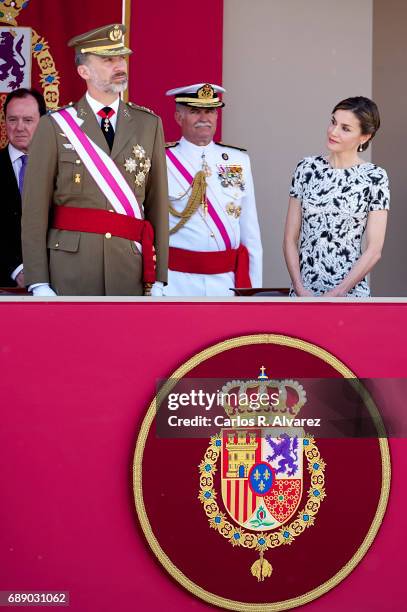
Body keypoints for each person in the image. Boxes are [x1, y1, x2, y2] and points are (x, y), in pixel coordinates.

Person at [21, 24, 168, 296]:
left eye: (121, 57)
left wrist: (158, 278)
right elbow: (34, 211)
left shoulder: (149, 124)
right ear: (83, 71)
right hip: (70, 269)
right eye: (107, 59)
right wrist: (38, 280)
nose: (119, 65)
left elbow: (157, 204)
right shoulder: (55, 126)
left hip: (128, 269)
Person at [283, 96, 389, 297]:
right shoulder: (306, 168)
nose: (333, 131)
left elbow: (374, 249)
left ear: (364, 137)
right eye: (333, 122)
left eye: (345, 128)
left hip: (350, 295)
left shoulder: (375, 177)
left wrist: (339, 292)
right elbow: (290, 238)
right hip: (304, 294)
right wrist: (298, 287)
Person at [163, 83, 262, 296]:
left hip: (226, 283)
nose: (204, 118)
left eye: (210, 111)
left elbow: (250, 232)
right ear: (179, 117)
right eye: (195, 111)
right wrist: (154, 289)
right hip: (177, 283)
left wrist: (253, 292)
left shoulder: (239, 160)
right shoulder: (162, 160)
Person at [0, 88, 46, 288]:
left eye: (28, 120)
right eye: (12, 120)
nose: (19, 127)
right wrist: (16, 269)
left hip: (55, 285)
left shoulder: (62, 169)